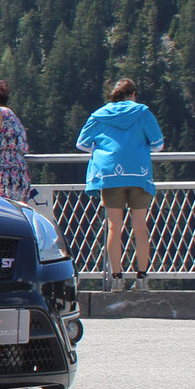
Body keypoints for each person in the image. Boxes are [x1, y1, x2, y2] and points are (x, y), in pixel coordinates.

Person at [78, 77, 164, 292]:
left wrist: (104, 150)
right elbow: (158, 144)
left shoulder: (99, 115)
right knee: (140, 226)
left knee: (114, 227)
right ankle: (142, 278)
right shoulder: (142, 112)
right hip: (139, 174)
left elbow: (82, 143)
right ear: (133, 94)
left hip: (109, 175)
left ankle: (116, 278)